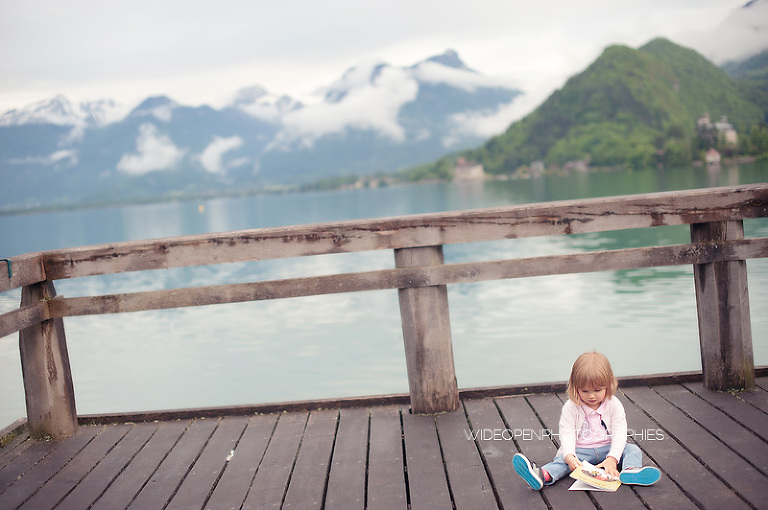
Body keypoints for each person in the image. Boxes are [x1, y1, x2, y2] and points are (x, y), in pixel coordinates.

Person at [513, 351, 661, 490]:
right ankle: (542, 475)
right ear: (575, 388)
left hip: (607, 448)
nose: (591, 396)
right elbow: (567, 432)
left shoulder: (614, 404)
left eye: (597, 390)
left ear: (608, 386)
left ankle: (630, 471)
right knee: (563, 462)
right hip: (581, 451)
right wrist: (570, 455)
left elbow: (620, 433)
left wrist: (613, 458)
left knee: (632, 449)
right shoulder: (571, 407)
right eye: (585, 391)